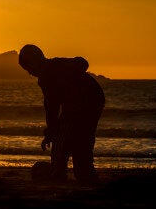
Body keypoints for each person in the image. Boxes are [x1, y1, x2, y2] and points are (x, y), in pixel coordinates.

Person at [18, 44, 105, 184]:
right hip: (95, 99)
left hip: (85, 102)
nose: (29, 73)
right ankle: (82, 172)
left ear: (34, 62)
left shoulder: (48, 74)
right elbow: (83, 63)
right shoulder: (56, 64)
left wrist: (51, 131)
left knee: (66, 135)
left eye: (28, 68)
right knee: (82, 139)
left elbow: (51, 107)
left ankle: (58, 171)